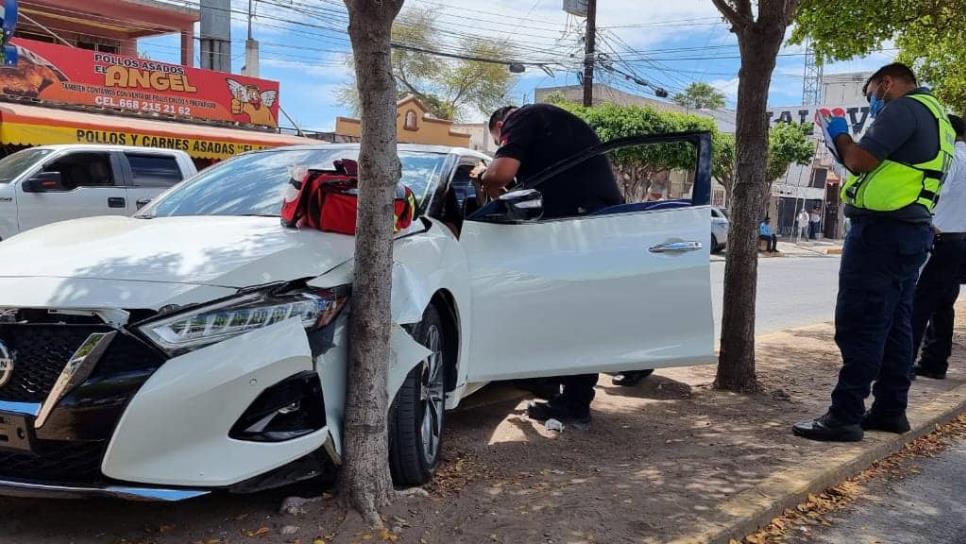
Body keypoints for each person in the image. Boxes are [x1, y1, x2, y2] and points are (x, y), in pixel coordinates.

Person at [793, 63, 956, 442]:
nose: (872, 105)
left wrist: (840, 135)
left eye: (871, 96)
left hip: (881, 235)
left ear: (887, 84)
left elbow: (859, 160)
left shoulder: (904, 108)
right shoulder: (939, 119)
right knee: (898, 326)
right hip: (909, 232)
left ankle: (844, 415)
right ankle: (889, 410)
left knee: (861, 322)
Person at [472, 103, 624, 425]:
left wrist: (484, 178)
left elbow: (500, 174)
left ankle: (574, 405)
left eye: (499, 141)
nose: (503, 145)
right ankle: (557, 391)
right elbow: (528, 190)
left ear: (500, 126)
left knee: (572, 318)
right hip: (591, 225)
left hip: (579, 228)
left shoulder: (521, 119)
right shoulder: (551, 126)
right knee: (571, 316)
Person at [909, 114, 966, 380]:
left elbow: (937, 190)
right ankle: (934, 363)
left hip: (944, 239)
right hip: (960, 243)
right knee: (944, 304)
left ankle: (903, 362)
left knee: (920, 303)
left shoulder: (952, 156)